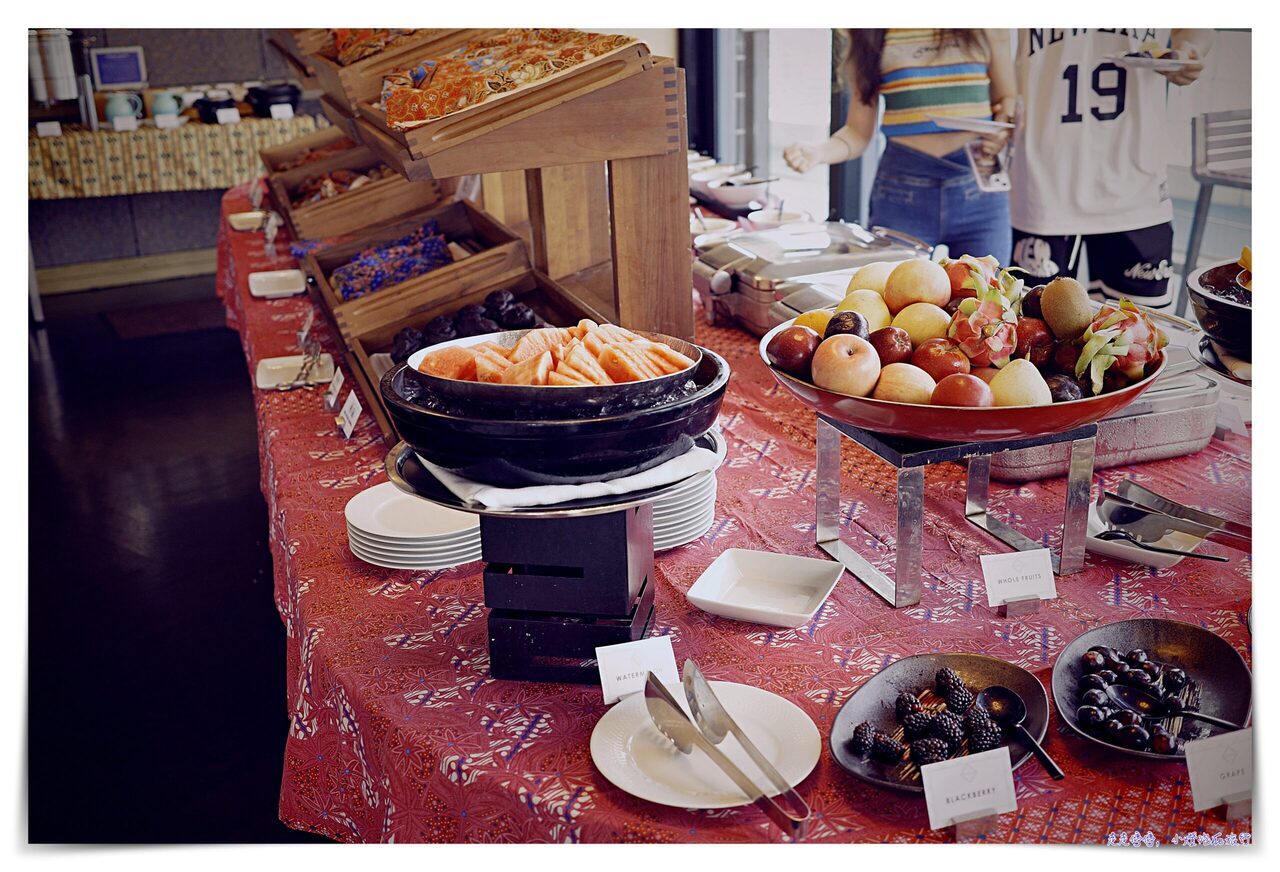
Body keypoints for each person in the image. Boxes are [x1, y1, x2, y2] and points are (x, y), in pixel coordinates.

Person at [1008, 28, 1215, 309]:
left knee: (1136, 337)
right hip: (1044, 179)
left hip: (1134, 184)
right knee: (1035, 332)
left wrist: (1189, 49)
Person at [784, 29, 1017, 264]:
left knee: (989, 297)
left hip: (979, 191)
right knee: (896, 297)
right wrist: (818, 152)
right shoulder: (870, 33)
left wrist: (1003, 127)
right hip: (901, 194)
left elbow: (1007, 99)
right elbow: (857, 131)